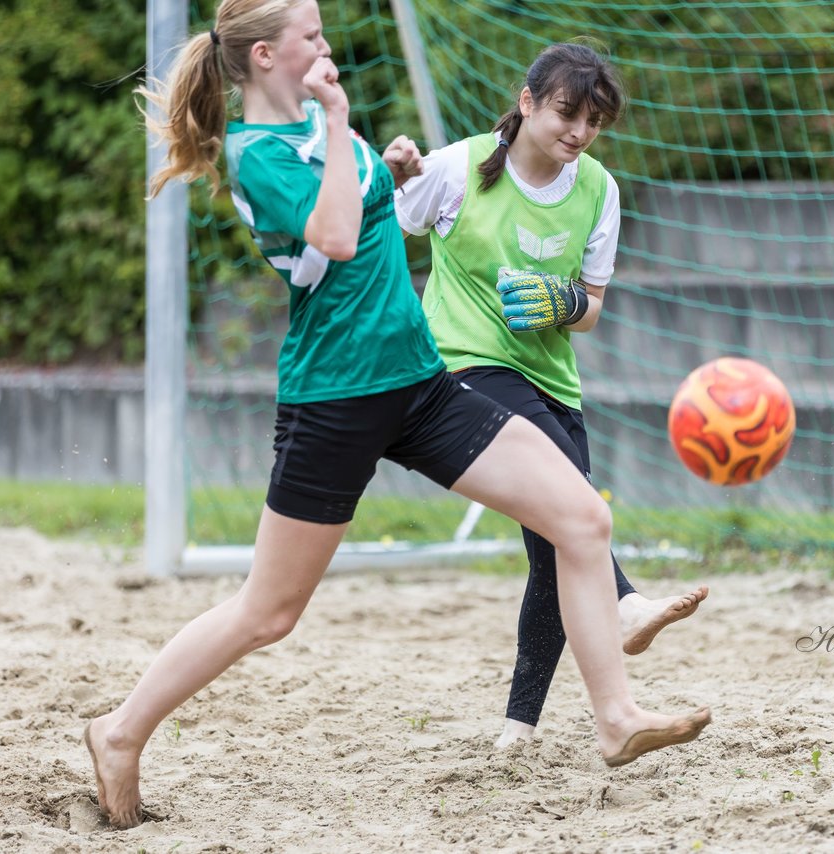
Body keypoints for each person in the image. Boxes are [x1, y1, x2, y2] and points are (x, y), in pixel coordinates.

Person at [83, 0, 709, 830]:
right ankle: (120, 731)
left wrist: (398, 165)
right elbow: (336, 235)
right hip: (334, 401)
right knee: (268, 613)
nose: (327, 46)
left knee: (582, 519)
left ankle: (616, 718)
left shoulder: (316, 125)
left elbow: (368, 207)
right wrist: (346, 128)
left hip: (420, 383)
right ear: (267, 55)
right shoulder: (254, 153)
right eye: (312, 36)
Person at [394, 42, 708, 750]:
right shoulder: (456, 167)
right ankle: (624, 605)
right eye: (567, 112)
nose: (578, 132)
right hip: (469, 370)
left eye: (593, 121)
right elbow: (391, 224)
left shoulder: (598, 189)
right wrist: (399, 175)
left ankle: (519, 730)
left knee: (556, 548)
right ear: (529, 101)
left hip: (552, 382)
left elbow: (593, 306)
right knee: (578, 519)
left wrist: (561, 300)